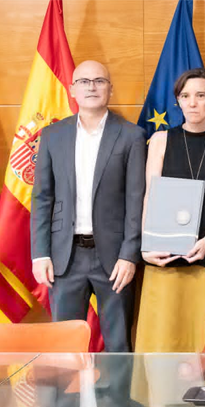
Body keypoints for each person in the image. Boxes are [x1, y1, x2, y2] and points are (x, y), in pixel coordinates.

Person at [31, 60, 146, 352]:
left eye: (99, 81)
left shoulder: (131, 136)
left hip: (114, 259)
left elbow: (136, 199)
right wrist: (40, 253)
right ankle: (65, 400)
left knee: (119, 344)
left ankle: (118, 399)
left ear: (110, 88)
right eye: (83, 81)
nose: (91, 87)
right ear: (72, 90)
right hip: (64, 258)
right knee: (64, 345)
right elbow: (43, 197)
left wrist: (129, 255)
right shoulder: (53, 136)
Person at [136, 68, 205, 352]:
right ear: (178, 101)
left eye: (200, 95)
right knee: (166, 338)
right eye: (185, 96)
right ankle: (164, 397)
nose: (192, 102)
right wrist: (147, 246)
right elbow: (150, 196)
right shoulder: (160, 140)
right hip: (166, 255)